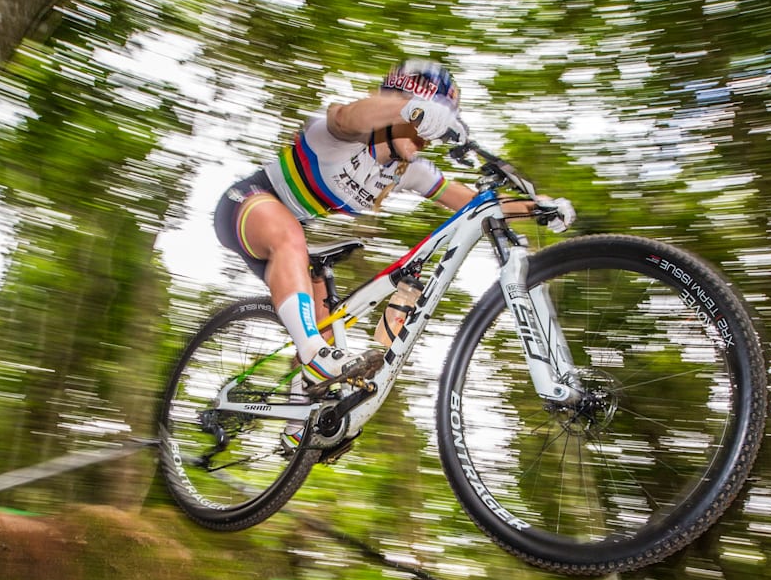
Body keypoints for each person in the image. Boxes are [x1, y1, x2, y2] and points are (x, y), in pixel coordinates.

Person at [213, 59, 573, 439]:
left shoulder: (406, 170)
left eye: (431, 128)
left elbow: (471, 202)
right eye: (423, 121)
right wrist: (412, 109)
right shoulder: (340, 134)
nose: (424, 136)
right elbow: (349, 114)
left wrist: (539, 208)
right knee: (293, 246)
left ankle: (297, 428)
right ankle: (313, 357)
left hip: (291, 235)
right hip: (246, 205)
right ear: (398, 100)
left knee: (327, 330)